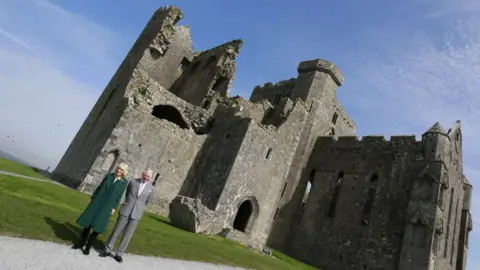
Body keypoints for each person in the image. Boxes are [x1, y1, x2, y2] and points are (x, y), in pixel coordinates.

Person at [72, 163, 129, 255]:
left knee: (97, 226)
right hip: (98, 200)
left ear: (124, 172)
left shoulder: (124, 182)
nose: (118, 171)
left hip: (108, 205)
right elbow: (99, 187)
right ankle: (80, 243)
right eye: (118, 168)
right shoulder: (109, 176)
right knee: (88, 224)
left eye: (121, 170)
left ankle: (88, 247)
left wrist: (114, 207)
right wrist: (93, 197)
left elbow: (119, 196)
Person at [100, 168, 155, 263]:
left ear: (151, 177)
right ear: (142, 174)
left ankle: (119, 254)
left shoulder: (151, 188)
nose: (146, 177)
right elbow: (127, 193)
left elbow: (147, 201)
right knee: (116, 231)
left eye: (148, 176)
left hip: (136, 214)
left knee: (127, 236)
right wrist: (128, 203)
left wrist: (139, 207)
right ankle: (107, 250)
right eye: (145, 175)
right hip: (126, 210)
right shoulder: (133, 182)